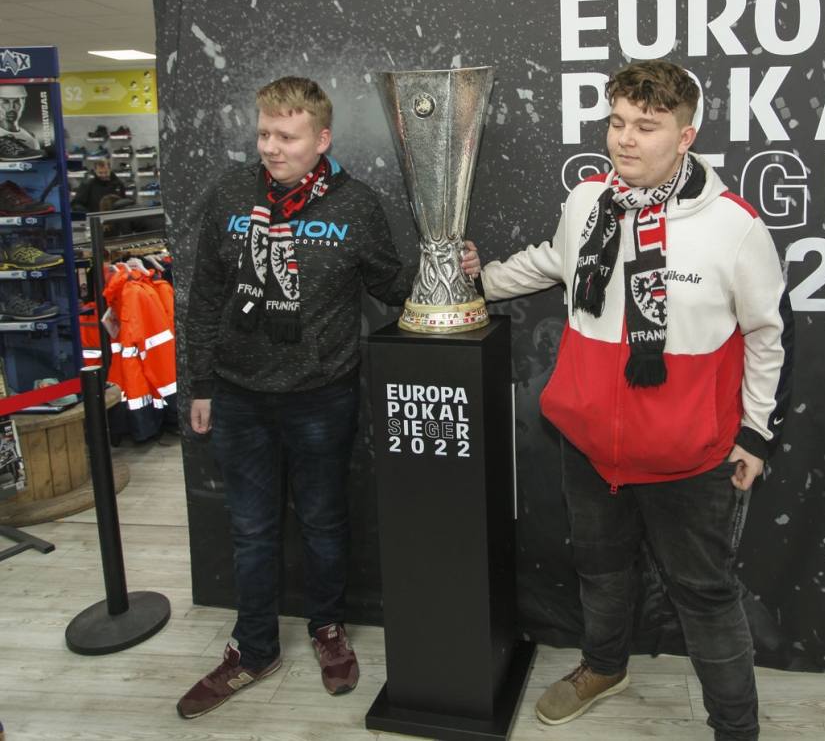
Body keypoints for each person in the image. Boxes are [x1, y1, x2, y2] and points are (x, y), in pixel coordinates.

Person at [474, 60, 793, 739]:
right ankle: (603, 667)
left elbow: (768, 335)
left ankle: (736, 729)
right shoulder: (589, 201)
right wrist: (476, 284)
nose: (625, 138)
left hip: (691, 459)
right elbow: (553, 261)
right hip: (592, 446)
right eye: (617, 122)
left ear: (685, 136)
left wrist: (757, 433)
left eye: (646, 126)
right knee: (601, 571)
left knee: (705, 596)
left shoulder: (734, 226)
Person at [178, 75, 479, 719]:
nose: (272, 147)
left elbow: (390, 285)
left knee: (322, 521)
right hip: (236, 395)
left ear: (322, 139)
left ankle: (327, 628)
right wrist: (200, 384)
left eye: (288, 137)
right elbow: (203, 297)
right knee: (251, 530)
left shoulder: (355, 204)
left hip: (321, 397)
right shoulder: (230, 194)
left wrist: (449, 265)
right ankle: (254, 649)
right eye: (265, 133)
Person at [0, 84, 43, 159]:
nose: (12, 107)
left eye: (16, 101)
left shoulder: (31, 136)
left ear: (23, 104)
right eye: (5, 102)